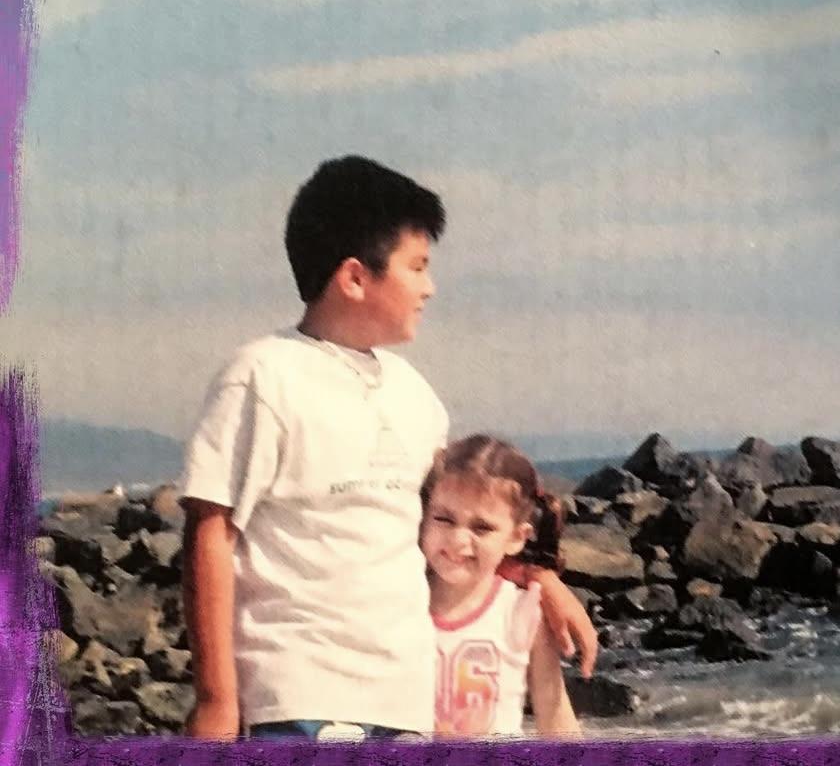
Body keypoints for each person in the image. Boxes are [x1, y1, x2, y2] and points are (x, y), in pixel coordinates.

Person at [180, 156, 596, 741]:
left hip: (405, 699)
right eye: (417, 266)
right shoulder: (262, 376)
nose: (430, 287)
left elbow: (447, 529)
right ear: (355, 278)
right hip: (298, 693)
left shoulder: (415, 397)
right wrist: (217, 702)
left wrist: (537, 578)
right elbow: (211, 533)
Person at [422, 435, 580, 738]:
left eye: (481, 527)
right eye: (444, 518)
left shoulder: (521, 612)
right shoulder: (401, 601)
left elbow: (556, 718)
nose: (458, 540)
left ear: (517, 537)